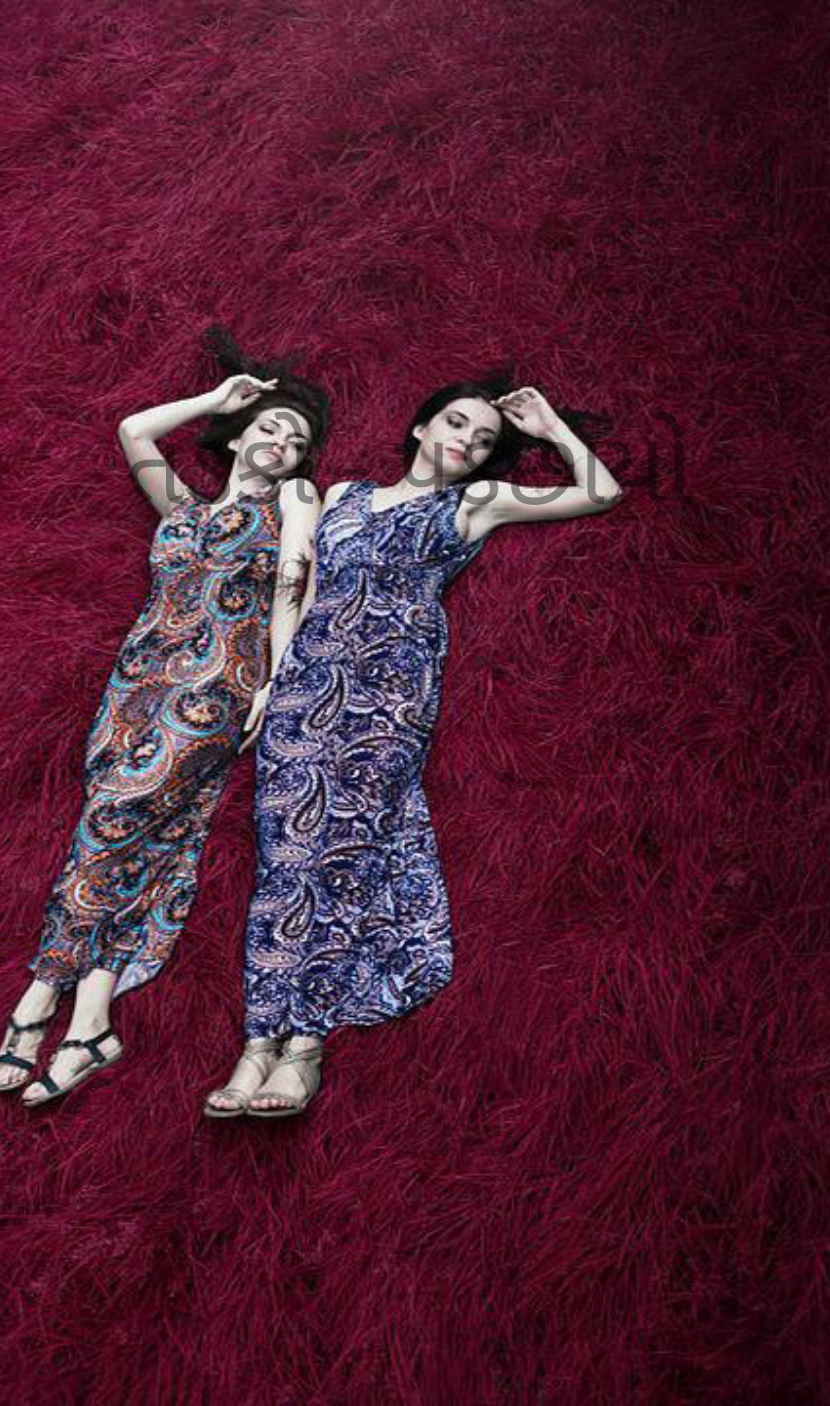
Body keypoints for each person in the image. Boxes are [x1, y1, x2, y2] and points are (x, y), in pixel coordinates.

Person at [203, 375, 622, 1117]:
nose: (467, 441)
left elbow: (601, 492)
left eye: (483, 439)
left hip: (388, 696)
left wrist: (551, 426)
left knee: (343, 853)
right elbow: (301, 590)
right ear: (424, 427)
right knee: (283, 857)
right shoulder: (344, 497)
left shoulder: (474, 503)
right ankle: (256, 1043)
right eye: (456, 423)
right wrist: (272, 678)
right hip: (304, 686)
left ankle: (304, 1048)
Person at [0, 326, 329, 1104]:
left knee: (117, 816)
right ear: (236, 437)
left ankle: (37, 997)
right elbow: (133, 430)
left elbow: (293, 584)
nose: (282, 444)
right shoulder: (180, 508)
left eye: (297, 441)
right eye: (271, 428)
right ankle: (92, 1025)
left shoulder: (294, 500)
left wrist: (273, 680)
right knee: (140, 839)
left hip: (216, 685)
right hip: (135, 684)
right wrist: (218, 398)